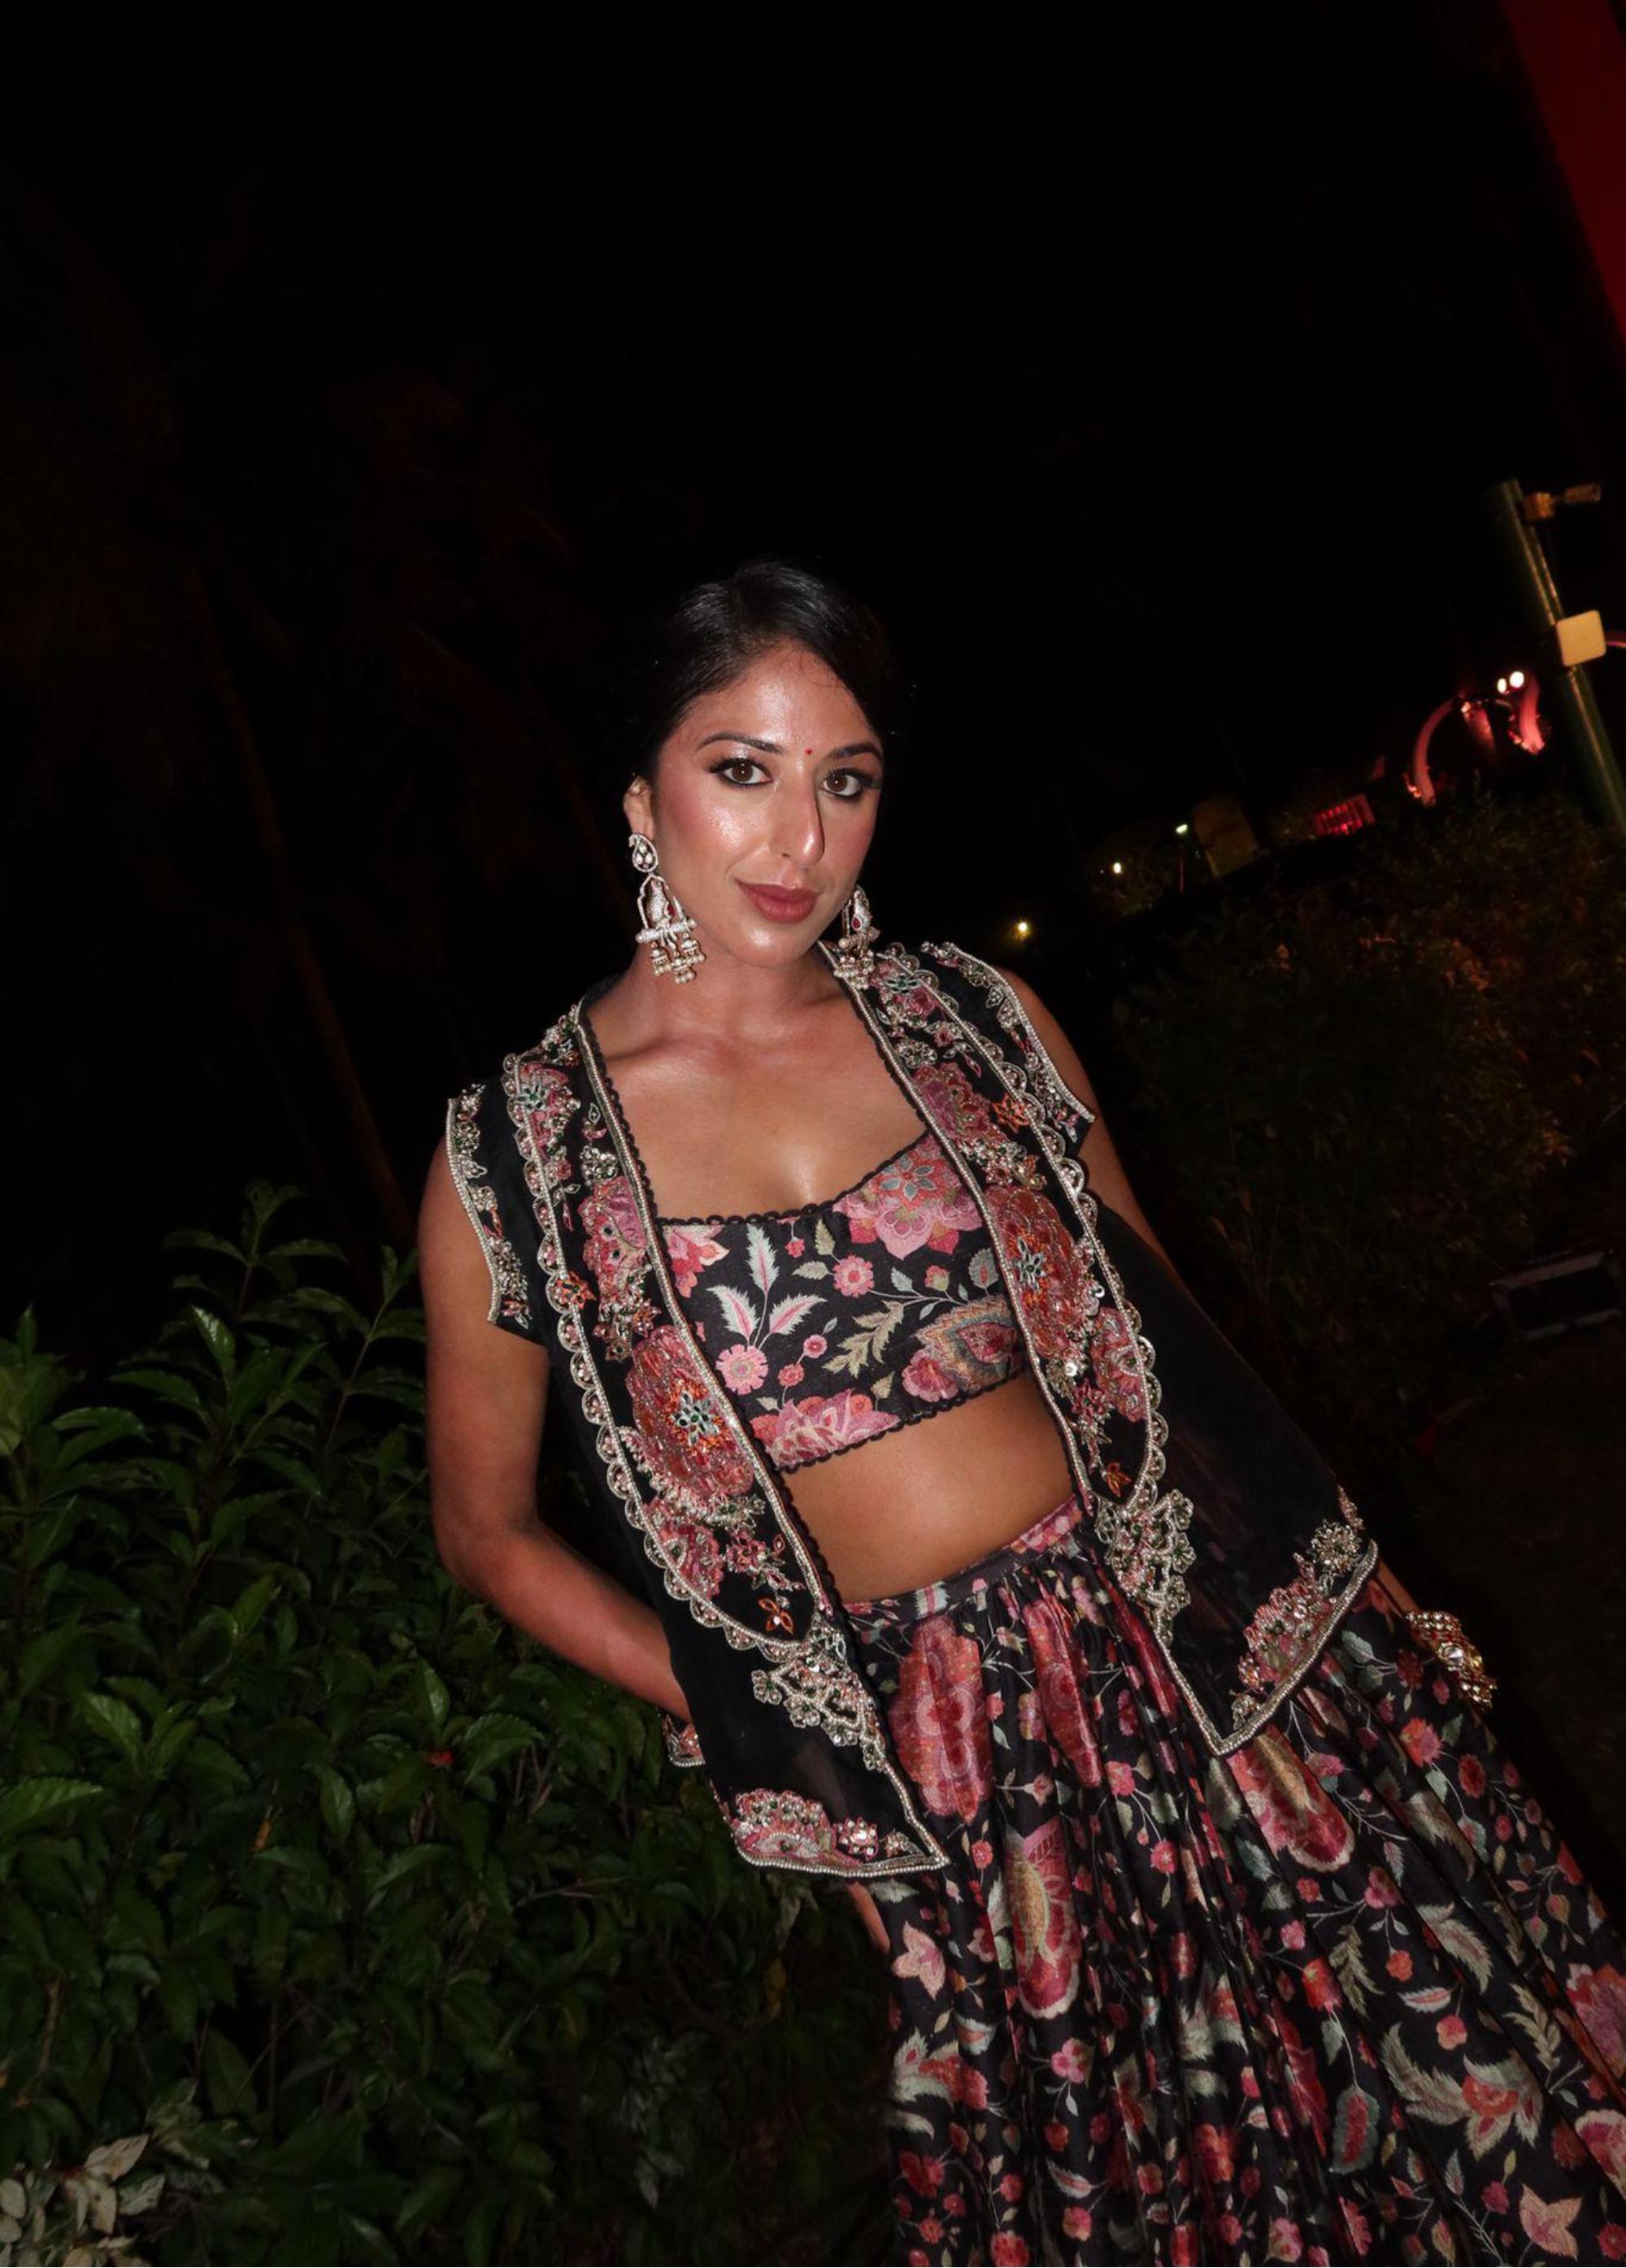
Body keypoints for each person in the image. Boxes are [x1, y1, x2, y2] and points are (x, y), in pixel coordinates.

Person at [418, 560, 1626, 2266]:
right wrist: (762, 1712)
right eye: (741, 769)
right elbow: (485, 1530)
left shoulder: (972, 1020)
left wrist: (1371, 1602)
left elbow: (1176, 1347)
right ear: (640, 795)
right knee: (1140, 2192)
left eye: (845, 779)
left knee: (1446, 2094)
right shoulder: (520, 1155)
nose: (798, 836)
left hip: (1192, 1648)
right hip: (947, 1765)